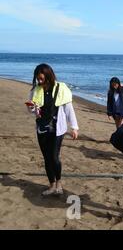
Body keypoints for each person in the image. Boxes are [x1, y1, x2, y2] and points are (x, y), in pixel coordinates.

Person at [26, 64, 79, 196]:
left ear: (48, 74)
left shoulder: (61, 88)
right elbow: (32, 111)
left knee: (54, 157)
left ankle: (59, 184)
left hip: (57, 128)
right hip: (42, 128)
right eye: (37, 76)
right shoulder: (36, 90)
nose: (39, 79)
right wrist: (32, 108)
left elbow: (68, 109)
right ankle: (51, 185)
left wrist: (74, 127)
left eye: (41, 75)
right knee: (46, 158)